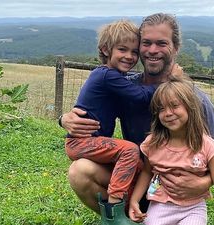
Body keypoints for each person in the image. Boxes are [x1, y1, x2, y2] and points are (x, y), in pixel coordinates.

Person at [60, 13, 214, 214]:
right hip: (137, 180)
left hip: (173, 191)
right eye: (146, 43)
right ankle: (122, 216)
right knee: (79, 172)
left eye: (161, 43)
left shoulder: (192, 97)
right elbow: (95, 104)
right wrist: (64, 119)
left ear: (175, 48)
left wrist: (204, 182)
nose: (152, 50)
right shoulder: (126, 88)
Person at [64, 20, 161, 220]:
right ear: (105, 50)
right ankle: (116, 209)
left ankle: (134, 210)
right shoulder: (107, 75)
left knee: (138, 166)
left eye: (134, 52)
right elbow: (141, 96)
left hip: (84, 141)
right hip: (81, 141)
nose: (130, 56)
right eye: (122, 49)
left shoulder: (114, 77)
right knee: (129, 150)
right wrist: (167, 81)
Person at [128, 76, 214, 225]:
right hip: (160, 204)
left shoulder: (207, 146)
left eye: (174, 105)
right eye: (161, 109)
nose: (168, 113)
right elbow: (147, 172)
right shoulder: (153, 143)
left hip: (193, 207)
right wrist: (134, 200)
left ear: (190, 107)